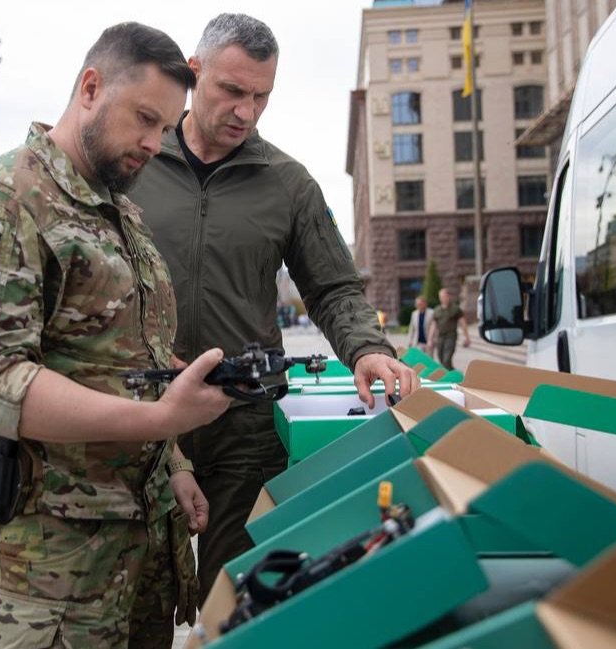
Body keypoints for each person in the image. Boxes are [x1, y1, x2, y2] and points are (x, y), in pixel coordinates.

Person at [0, 23, 232, 649]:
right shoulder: (2, 201)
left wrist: (171, 457)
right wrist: (158, 422)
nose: (154, 143)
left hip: (136, 560)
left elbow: (128, 361)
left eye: (166, 129)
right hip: (48, 580)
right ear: (90, 88)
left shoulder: (121, 213)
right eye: (144, 118)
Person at [128, 13, 419, 604]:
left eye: (261, 96)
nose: (246, 111)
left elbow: (334, 287)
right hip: (141, 420)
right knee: (138, 607)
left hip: (246, 427)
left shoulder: (288, 183)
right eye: (232, 91)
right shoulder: (134, 163)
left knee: (236, 600)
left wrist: (367, 348)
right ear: (194, 72)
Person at [428, 288, 471, 371]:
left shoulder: (455, 309)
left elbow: (463, 323)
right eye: (441, 297)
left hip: (450, 337)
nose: (442, 298)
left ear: (448, 296)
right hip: (440, 337)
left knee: (446, 359)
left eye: (444, 296)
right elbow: (433, 325)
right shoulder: (437, 310)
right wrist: (430, 339)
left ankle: (449, 378)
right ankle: (452, 373)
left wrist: (467, 337)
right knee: (441, 358)